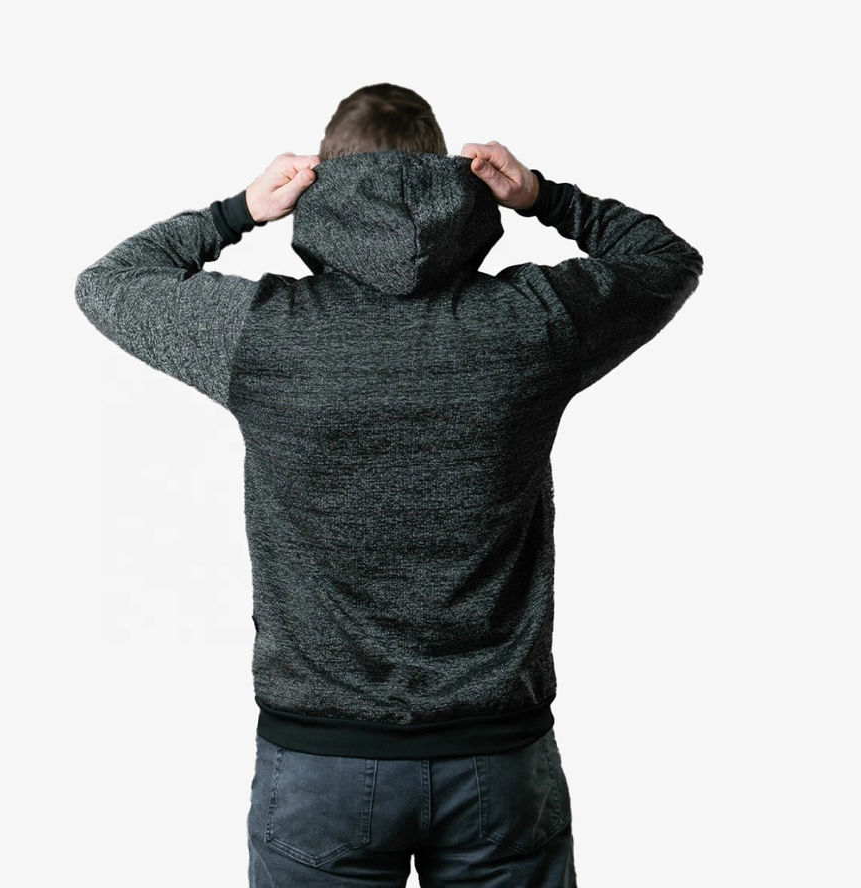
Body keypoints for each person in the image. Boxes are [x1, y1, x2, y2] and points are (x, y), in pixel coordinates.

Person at [75, 82, 703, 887]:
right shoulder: (533, 321)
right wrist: (543, 197)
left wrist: (239, 212)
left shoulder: (263, 334)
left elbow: (111, 283)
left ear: (321, 184)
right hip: (498, 756)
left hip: (321, 760)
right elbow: (665, 261)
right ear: (453, 184)